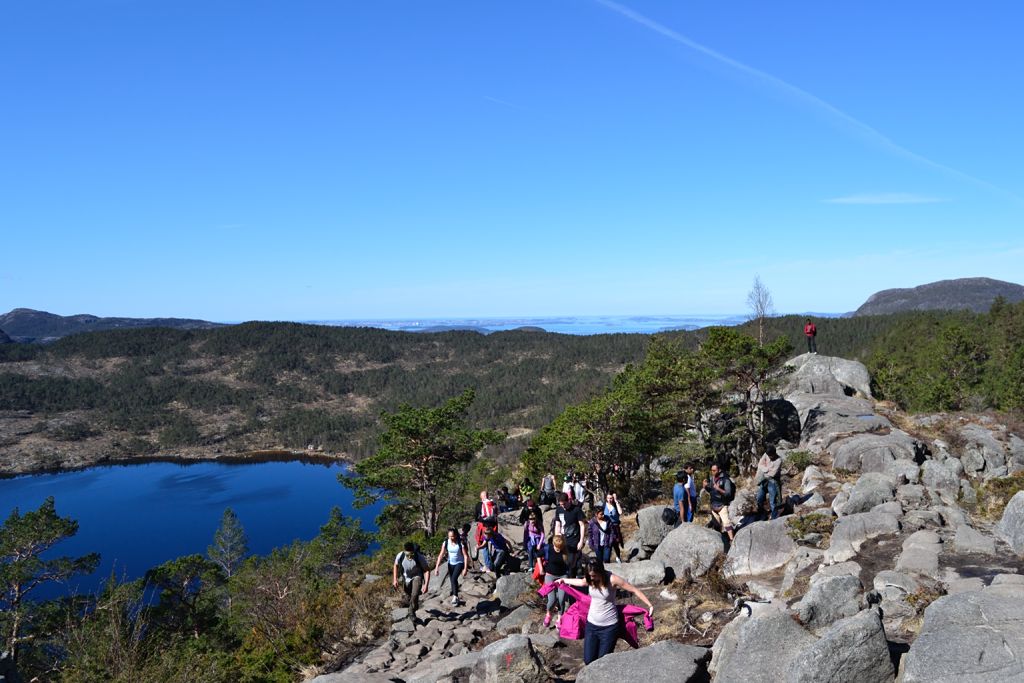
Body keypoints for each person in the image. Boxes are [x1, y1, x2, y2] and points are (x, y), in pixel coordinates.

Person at [556, 559, 654, 665]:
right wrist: (563, 580)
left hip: (609, 628)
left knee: (602, 662)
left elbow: (634, 590)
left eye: (594, 575)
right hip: (591, 626)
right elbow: (581, 582)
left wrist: (650, 605)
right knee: (588, 661)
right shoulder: (590, 578)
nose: (591, 578)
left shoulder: (612, 579)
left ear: (600, 572)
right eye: (589, 575)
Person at [393, 541, 430, 623]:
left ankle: (411, 612)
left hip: (417, 576)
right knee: (409, 595)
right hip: (406, 578)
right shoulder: (400, 556)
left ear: (414, 552)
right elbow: (395, 565)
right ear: (404, 551)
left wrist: (426, 585)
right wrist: (395, 579)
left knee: (415, 594)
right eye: (407, 555)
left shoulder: (419, 557)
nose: (409, 557)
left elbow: (427, 570)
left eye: (411, 555)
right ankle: (414, 605)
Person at [552, 492, 586, 576]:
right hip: (563, 539)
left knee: (571, 562)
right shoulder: (559, 510)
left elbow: (582, 525)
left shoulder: (576, 510)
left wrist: (581, 541)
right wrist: (556, 538)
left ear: (568, 501)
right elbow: (557, 525)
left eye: (564, 504)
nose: (563, 506)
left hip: (574, 539)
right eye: (561, 504)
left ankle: (573, 577)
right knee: (563, 561)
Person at [434, 527, 469, 606]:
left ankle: (455, 596)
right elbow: (440, 555)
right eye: (449, 536)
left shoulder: (460, 543)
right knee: (452, 580)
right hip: (450, 563)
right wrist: (436, 568)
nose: (451, 538)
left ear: (456, 535)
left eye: (452, 536)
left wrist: (465, 568)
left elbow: (465, 556)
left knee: (453, 578)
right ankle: (456, 596)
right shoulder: (446, 542)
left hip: (459, 563)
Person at [542, 534, 570, 628]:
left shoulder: (565, 550)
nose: (558, 549)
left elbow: (570, 562)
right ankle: (548, 614)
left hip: (562, 576)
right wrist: (541, 568)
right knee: (552, 599)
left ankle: (559, 619)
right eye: (557, 547)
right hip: (550, 575)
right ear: (553, 544)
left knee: (561, 599)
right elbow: (538, 555)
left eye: (560, 547)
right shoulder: (548, 548)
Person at [703, 463, 736, 542]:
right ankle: (719, 541)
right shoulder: (712, 479)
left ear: (719, 470)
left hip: (722, 505)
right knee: (716, 525)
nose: (712, 472)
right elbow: (711, 491)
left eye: (714, 470)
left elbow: (728, 493)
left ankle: (732, 540)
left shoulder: (726, 480)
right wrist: (705, 486)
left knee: (727, 523)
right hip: (713, 505)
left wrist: (718, 489)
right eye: (712, 470)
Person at [755, 445, 784, 520]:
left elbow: (773, 474)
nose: (769, 457)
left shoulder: (779, 460)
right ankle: (762, 514)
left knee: (773, 501)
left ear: (774, 453)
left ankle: (774, 517)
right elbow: (760, 465)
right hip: (764, 479)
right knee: (759, 497)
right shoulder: (766, 454)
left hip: (773, 481)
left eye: (771, 455)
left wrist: (765, 468)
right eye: (768, 455)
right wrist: (768, 469)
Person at [473, 490, 497, 559]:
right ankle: (493, 555)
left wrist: (477, 520)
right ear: (487, 496)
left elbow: (476, 515)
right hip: (493, 525)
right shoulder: (493, 503)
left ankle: (486, 560)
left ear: (481, 497)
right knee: (493, 539)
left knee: (482, 541)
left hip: (483, 525)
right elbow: (496, 514)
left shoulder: (479, 504)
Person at [602, 492, 624, 563]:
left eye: (611, 498)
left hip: (615, 527)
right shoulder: (604, 505)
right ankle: (606, 559)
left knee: (615, 544)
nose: (609, 500)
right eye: (608, 498)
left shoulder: (615, 505)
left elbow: (620, 512)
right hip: (607, 527)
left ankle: (618, 557)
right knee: (607, 543)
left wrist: (616, 501)